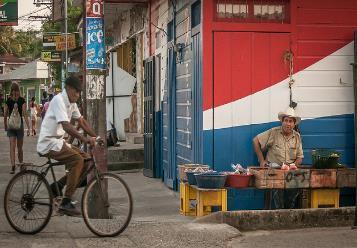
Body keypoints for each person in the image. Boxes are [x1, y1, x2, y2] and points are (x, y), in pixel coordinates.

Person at [37, 76, 98, 216]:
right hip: (48, 142)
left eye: (79, 92)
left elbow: (82, 122)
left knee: (87, 160)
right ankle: (66, 202)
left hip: (58, 142)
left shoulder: (72, 103)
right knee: (77, 160)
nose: (78, 95)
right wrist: (85, 139)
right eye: (76, 91)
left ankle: (58, 186)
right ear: (69, 89)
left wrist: (96, 136)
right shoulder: (59, 100)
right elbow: (67, 126)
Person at [253, 107, 304, 209]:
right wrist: (261, 160)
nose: (288, 124)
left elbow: (299, 157)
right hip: (274, 168)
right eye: (286, 121)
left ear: (294, 124)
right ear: (282, 121)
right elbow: (255, 140)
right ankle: (279, 211)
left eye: (290, 121)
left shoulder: (297, 136)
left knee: (296, 187)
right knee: (278, 184)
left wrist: (294, 166)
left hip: (289, 170)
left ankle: (288, 211)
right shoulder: (274, 132)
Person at [4, 83, 31, 174]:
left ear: (11, 90)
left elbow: (5, 114)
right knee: (20, 147)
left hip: (11, 126)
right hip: (19, 126)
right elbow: (25, 114)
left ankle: (13, 166)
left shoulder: (8, 100)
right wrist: (29, 127)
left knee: (12, 146)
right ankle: (20, 163)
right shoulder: (22, 100)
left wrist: (5, 124)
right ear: (19, 90)